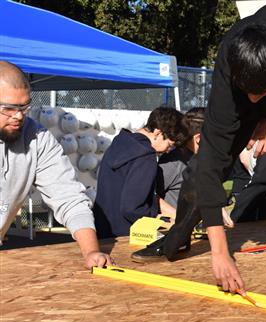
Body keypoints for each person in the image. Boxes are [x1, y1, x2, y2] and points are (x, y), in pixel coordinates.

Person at [135, 0, 266, 300]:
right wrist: (220, 253)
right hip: (240, 105)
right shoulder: (229, 66)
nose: (255, 99)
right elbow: (210, 164)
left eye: (261, 92)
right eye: (250, 92)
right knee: (200, 169)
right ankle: (175, 239)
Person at [0, 61, 112, 268]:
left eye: (24, 107)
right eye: (8, 108)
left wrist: (92, 252)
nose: (18, 116)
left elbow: (68, 196)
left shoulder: (36, 137)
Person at [93, 107, 188, 238]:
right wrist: (164, 221)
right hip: (126, 236)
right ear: (158, 133)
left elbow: (132, 194)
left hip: (102, 229)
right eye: (170, 144)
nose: (168, 150)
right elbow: (132, 209)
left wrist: (176, 215)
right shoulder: (145, 157)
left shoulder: (119, 143)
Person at [155, 107, 204, 219]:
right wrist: (179, 218)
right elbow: (151, 196)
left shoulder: (199, 158)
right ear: (198, 138)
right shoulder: (173, 162)